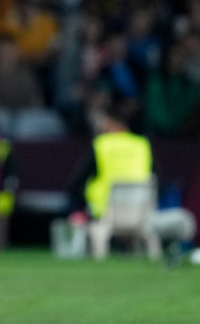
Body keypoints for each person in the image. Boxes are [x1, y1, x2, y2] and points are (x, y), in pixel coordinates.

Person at [68, 107, 195, 264]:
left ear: (110, 123)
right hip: (142, 214)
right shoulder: (142, 145)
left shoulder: (101, 145)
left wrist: (83, 203)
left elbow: (75, 185)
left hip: (105, 213)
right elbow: (160, 184)